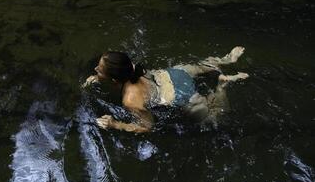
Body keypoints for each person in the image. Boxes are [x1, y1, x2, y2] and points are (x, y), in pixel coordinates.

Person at [82, 47, 249, 133]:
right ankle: (227, 60)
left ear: (113, 80)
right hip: (174, 75)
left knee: (218, 116)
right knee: (199, 66)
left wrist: (115, 124)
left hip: (179, 95)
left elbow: (148, 127)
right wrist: (98, 78)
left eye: (99, 70)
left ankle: (222, 86)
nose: (96, 68)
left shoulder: (130, 100)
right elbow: (119, 74)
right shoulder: (131, 67)